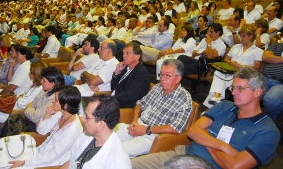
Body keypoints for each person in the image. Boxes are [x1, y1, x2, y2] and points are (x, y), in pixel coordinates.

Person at [131, 68, 280, 169]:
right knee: (127, 165)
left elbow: (234, 166)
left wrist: (206, 139)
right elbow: (193, 131)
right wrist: (223, 146)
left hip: (207, 166)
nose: (234, 93)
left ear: (257, 92)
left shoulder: (267, 131)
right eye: (233, 88)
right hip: (182, 153)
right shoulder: (225, 106)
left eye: (240, 88)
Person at [115, 59, 193, 158]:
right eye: (161, 74)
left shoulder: (184, 98)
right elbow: (140, 104)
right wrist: (135, 122)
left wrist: (146, 130)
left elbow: (175, 128)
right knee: (104, 135)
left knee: (116, 150)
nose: (162, 79)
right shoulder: (158, 87)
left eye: (167, 75)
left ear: (178, 79)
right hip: (137, 126)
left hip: (153, 136)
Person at [0, 60, 45, 162]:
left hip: (14, 113)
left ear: (37, 74)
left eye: (31, 72)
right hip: (11, 107)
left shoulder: (39, 89)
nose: (29, 74)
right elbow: (20, 97)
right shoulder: (32, 84)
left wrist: (20, 98)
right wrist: (20, 98)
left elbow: (23, 104)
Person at [0, 66, 65, 159]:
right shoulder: (45, 90)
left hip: (35, 128)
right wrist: (31, 109)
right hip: (28, 120)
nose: (41, 82)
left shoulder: (54, 99)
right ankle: (2, 145)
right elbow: (32, 105)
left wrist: (30, 109)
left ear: (52, 84)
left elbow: (34, 116)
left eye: (44, 80)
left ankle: (3, 150)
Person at [8, 86, 82, 168]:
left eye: (56, 100)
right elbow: (41, 131)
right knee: (9, 157)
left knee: (11, 165)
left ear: (65, 106)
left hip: (51, 162)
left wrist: (24, 163)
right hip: (41, 152)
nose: (52, 100)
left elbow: (52, 156)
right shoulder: (60, 114)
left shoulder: (72, 130)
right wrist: (48, 113)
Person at [60, 95, 131, 169]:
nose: (82, 118)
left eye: (87, 117)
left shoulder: (117, 162)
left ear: (101, 125)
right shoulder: (86, 136)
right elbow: (71, 162)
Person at [203, 26, 263, 106]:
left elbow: (257, 67)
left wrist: (241, 65)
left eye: (244, 36)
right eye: (241, 35)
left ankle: (215, 99)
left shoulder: (257, 51)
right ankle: (217, 97)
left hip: (244, 75)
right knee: (219, 73)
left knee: (220, 78)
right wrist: (231, 62)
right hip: (231, 71)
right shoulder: (235, 47)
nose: (241, 38)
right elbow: (226, 59)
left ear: (251, 36)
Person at [111, 42, 150, 108]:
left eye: (127, 53)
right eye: (123, 53)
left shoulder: (141, 72)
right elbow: (113, 88)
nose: (124, 56)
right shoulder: (125, 68)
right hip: (115, 100)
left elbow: (129, 97)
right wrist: (116, 72)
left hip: (124, 107)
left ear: (137, 56)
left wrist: (109, 99)